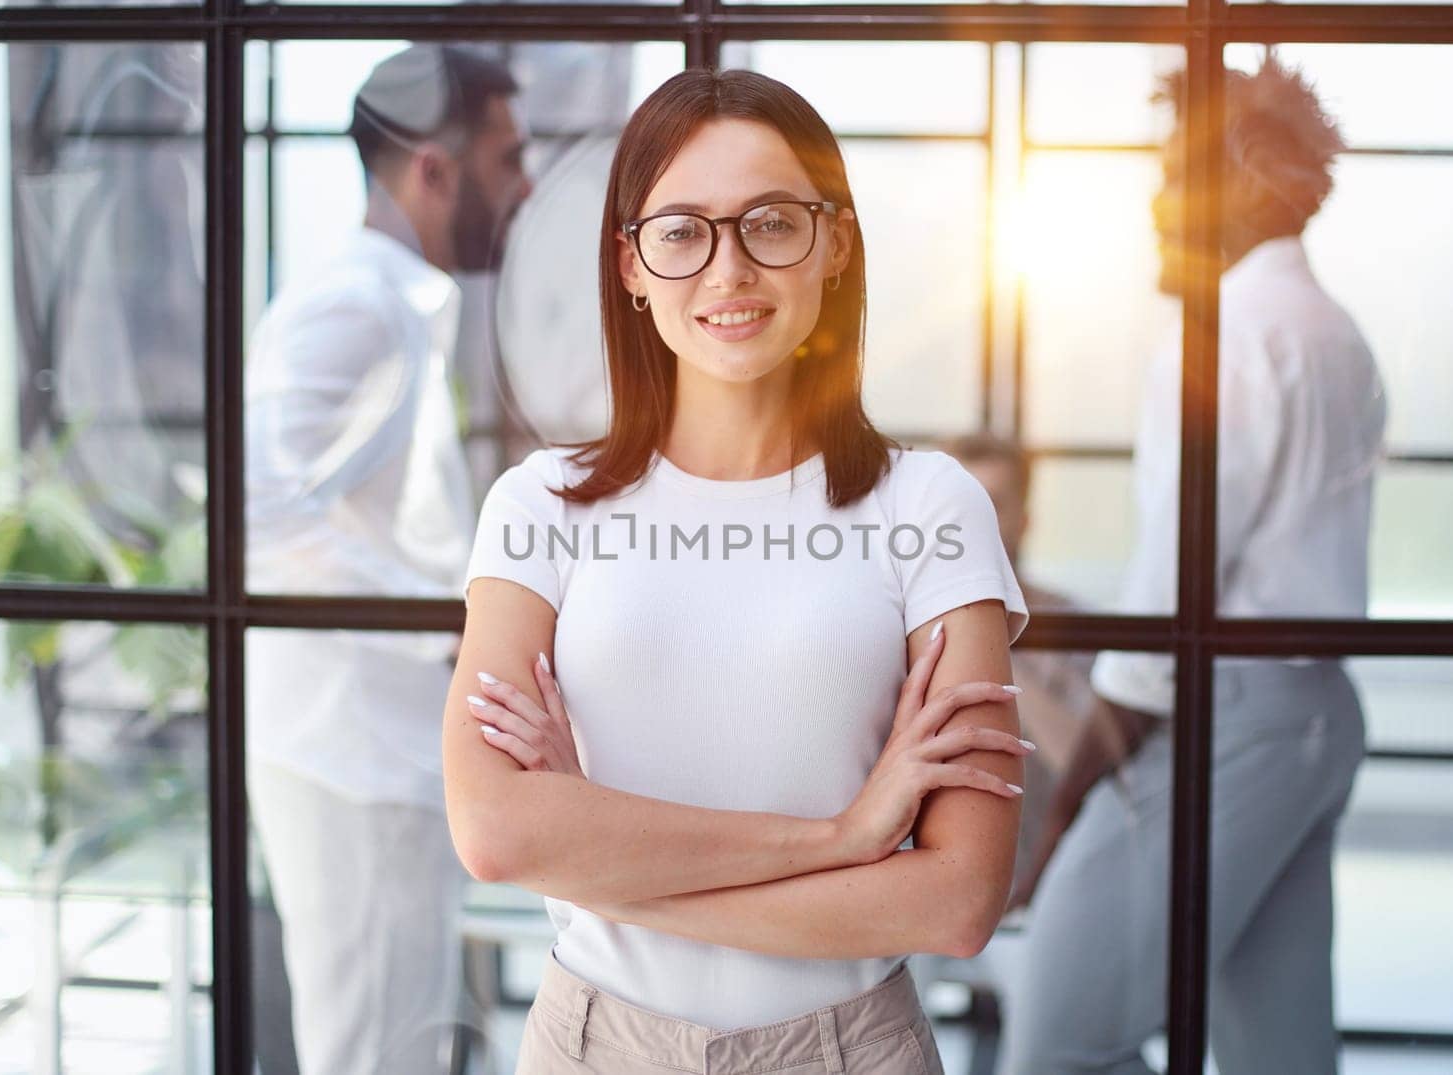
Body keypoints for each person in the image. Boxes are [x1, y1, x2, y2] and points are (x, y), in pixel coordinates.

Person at [443, 67, 1033, 1074]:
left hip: (849, 1049)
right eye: (681, 232)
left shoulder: (927, 507)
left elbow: (956, 899)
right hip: (593, 1045)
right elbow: (498, 832)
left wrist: (598, 850)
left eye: (770, 222)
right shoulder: (540, 506)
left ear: (834, 244)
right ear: (629, 263)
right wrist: (845, 837)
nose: (727, 271)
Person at [1000, 56, 1388, 1075]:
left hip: (1233, 718)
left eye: (1176, 172)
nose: (1156, 204)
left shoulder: (1227, 331)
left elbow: (1178, 587)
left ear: (1251, 177)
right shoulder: (1332, 330)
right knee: (1278, 1048)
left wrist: (1087, 771)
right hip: (1308, 716)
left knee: (1060, 1039)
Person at [243, 44, 531, 1075]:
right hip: (350, 755)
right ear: (433, 170)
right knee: (372, 1054)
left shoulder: (395, 303)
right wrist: (444, 629)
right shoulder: (354, 305)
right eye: (507, 158)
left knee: (396, 1042)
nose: (527, 184)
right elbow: (256, 512)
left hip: (377, 753)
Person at [937, 433, 1097, 889]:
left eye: (990, 505)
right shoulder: (889, 621)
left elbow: (1085, 766)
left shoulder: (1074, 623)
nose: (968, 523)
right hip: (916, 895)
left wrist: (993, 644)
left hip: (1034, 895)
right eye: (956, 503)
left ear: (1023, 521)